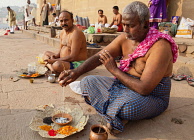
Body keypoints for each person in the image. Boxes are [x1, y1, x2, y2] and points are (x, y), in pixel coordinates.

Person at [58, 1, 178, 135]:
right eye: (124, 24)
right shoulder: (125, 38)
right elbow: (99, 57)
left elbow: (144, 88)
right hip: (123, 86)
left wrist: (114, 70)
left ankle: (118, 111)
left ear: (145, 24)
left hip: (152, 96)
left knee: (129, 108)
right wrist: (76, 72)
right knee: (87, 82)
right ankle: (116, 111)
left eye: (131, 26)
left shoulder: (160, 46)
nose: (125, 29)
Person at [42, 10, 87, 76]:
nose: (63, 23)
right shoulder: (62, 32)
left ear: (72, 20)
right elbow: (61, 49)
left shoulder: (76, 33)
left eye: (66, 20)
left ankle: (53, 68)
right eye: (61, 21)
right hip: (64, 60)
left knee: (57, 65)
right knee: (45, 54)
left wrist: (54, 61)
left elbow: (73, 57)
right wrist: (55, 56)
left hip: (76, 63)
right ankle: (53, 70)